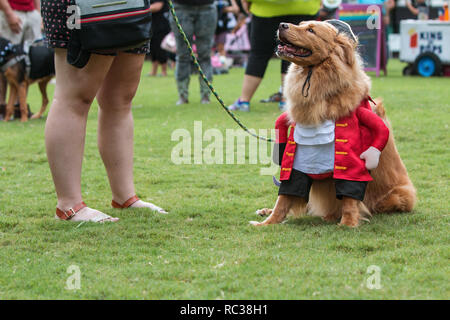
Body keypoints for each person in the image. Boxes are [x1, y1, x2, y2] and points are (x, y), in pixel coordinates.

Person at [42, 0, 167, 223]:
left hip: (132, 4)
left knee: (120, 99)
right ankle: (69, 204)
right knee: (75, 98)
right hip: (79, 5)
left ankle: (125, 196)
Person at [227, 0, 321, 112]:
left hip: (266, 8)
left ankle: (244, 101)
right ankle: (285, 101)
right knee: (293, 54)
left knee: (258, 54)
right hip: (303, 6)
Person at [169, 0, 218, 105]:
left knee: (205, 55)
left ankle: (205, 95)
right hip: (181, 7)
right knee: (183, 55)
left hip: (207, 7)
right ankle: (182, 95)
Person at [0, 0, 42, 118]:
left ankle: (19, 107)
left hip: (31, 13)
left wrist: (38, 13)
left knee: (27, 63)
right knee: (5, 61)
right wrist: (9, 13)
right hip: (12, 10)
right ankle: (2, 107)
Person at [148, 0, 171, 77]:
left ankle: (164, 71)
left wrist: (142, 9)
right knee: (153, 48)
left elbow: (158, 6)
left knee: (161, 48)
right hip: (152, 25)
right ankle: (153, 71)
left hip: (161, 26)